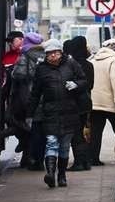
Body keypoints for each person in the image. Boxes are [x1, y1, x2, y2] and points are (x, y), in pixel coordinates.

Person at [27, 39, 87, 188]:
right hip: (50, 113)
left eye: (56, 52)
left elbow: (83, 80)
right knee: (51, 143)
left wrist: (76, 84)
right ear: (46, 55)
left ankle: (62, 176)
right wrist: (30, 114)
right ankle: (50, 174)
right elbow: (35, 93)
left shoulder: (71, 64)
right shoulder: (41, 69)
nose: (53, 55)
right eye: (50, 53)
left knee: (65, 146)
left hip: (69, 112)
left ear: (61, 52)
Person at [10, 32, 44, 168]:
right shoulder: (46, 55)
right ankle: (38, 158)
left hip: (28, 97)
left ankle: (30, 156)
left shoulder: (25, 56)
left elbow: (18, 75)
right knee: (40, 129)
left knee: (26, 125)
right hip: (44, 97)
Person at [89, 38, 115, 166]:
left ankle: (93, 158)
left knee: (96, 132)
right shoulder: (113, 60)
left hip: (95, 102)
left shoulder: (93, 60)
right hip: (110, 102)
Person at [64, 36, 94, 171]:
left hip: (74, 103)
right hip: (86, 102)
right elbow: (91, 84)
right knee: (82, 132)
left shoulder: (72, 64)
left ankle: (79, 163)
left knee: (76, 134)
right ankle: (85, 161)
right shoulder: (89, 64)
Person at [1, 31, 24, 149]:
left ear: (21, 39)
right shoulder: (6, 56)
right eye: (9, 42)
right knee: (9, 119)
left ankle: (23, 141)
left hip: (22, 95)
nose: (10, 44)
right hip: (11, 94)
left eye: (12, 41)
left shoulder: (25, 55)